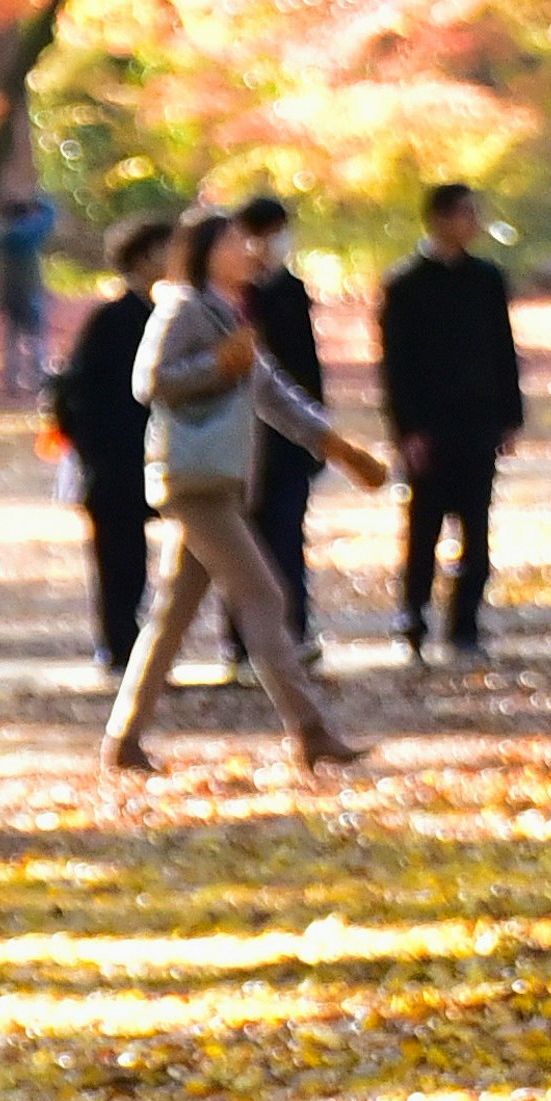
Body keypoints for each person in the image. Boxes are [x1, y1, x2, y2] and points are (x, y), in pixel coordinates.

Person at [103, 208, 390, 777]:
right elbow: (148, 381)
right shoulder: (183, 307)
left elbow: (274, 396)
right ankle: (310, 731)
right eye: (235, 242)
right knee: (264, 596)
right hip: (193, 481)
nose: (249, 251)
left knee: (172, 615)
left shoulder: (227, 313)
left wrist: (339, 448)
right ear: (207, 251)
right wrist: (215, 365)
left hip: (218, 479)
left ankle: (124, 739)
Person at [378, 180, 528, 660]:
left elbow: (503, 350)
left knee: (476, 527)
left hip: (478, 421)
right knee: (424, 527)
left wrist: (510, 415)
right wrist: (405, 430)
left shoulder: (486, 279)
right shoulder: (405, 284)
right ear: (440, 218)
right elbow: (394, 366)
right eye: (466, 214)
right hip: (429, 425)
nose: (474, 224)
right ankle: (414, 617)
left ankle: (465, 625)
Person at [47, 214, 172, 673]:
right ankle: (118, 642)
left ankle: (134, 642)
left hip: (145, 458)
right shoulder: (113, 318)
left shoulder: (161, 315)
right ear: (142, 259)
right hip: (114, 462)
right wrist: (93, 449)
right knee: (116, 559)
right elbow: (75, 391)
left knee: (135, 561)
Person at [235, 191, 330, 659]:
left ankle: (295, 630)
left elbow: (306, 368)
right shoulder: (231, 295)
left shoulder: (290, 289)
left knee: (289, 537)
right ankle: (244, 642)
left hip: (290, 441)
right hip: (240, 441)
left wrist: (318, 428)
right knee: (244, 544)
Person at [0, 184, 56, 401]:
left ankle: (11, 379)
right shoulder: (28, 234)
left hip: (6, 292)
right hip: (28, 291)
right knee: (36, 335)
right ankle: (38, 377)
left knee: (11, 336)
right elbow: (50, 214)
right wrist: (36, 200)